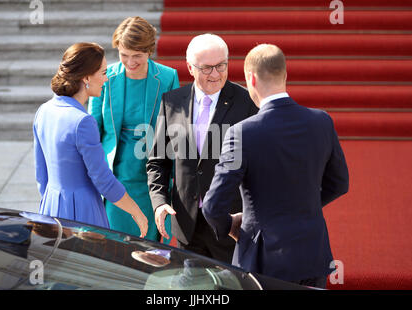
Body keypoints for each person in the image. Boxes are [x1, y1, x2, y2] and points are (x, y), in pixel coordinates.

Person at [202, 44, 349, 288]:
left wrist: (232, 226)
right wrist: (302, 205)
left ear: (251, 78)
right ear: (285, 75)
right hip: (312, 250)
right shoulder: (321, 121)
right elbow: (340, 183)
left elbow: (213, 206)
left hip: (263, 259)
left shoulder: (242, 133)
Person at [146, 33, 258, 263]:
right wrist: (159, 202)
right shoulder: (172, 101)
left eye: (221, 66)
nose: (215, 74)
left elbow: (260, 166)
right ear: (190, 67)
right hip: (187, 225)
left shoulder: (247, 103)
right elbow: (158, 160)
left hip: (231, 225)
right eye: (207, 68)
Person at [34, 42, 148, 237]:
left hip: (50, 207)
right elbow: (103, 180)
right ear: (86, 77)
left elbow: (41, 175)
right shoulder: (83, 122)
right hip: (84, 214)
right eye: (103, 73)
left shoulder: (44, 110)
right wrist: (137, 212)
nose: (107, 79)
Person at [88, 16, 179, 243]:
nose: (130, 62)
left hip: (154, 179)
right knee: (115, 246)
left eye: (137, 55)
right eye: (123, 55)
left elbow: (175, 130)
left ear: (149, 51)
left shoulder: (167, 77)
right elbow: (93, 128)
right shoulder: (106, 77)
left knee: (152, 249)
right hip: (116, 177)